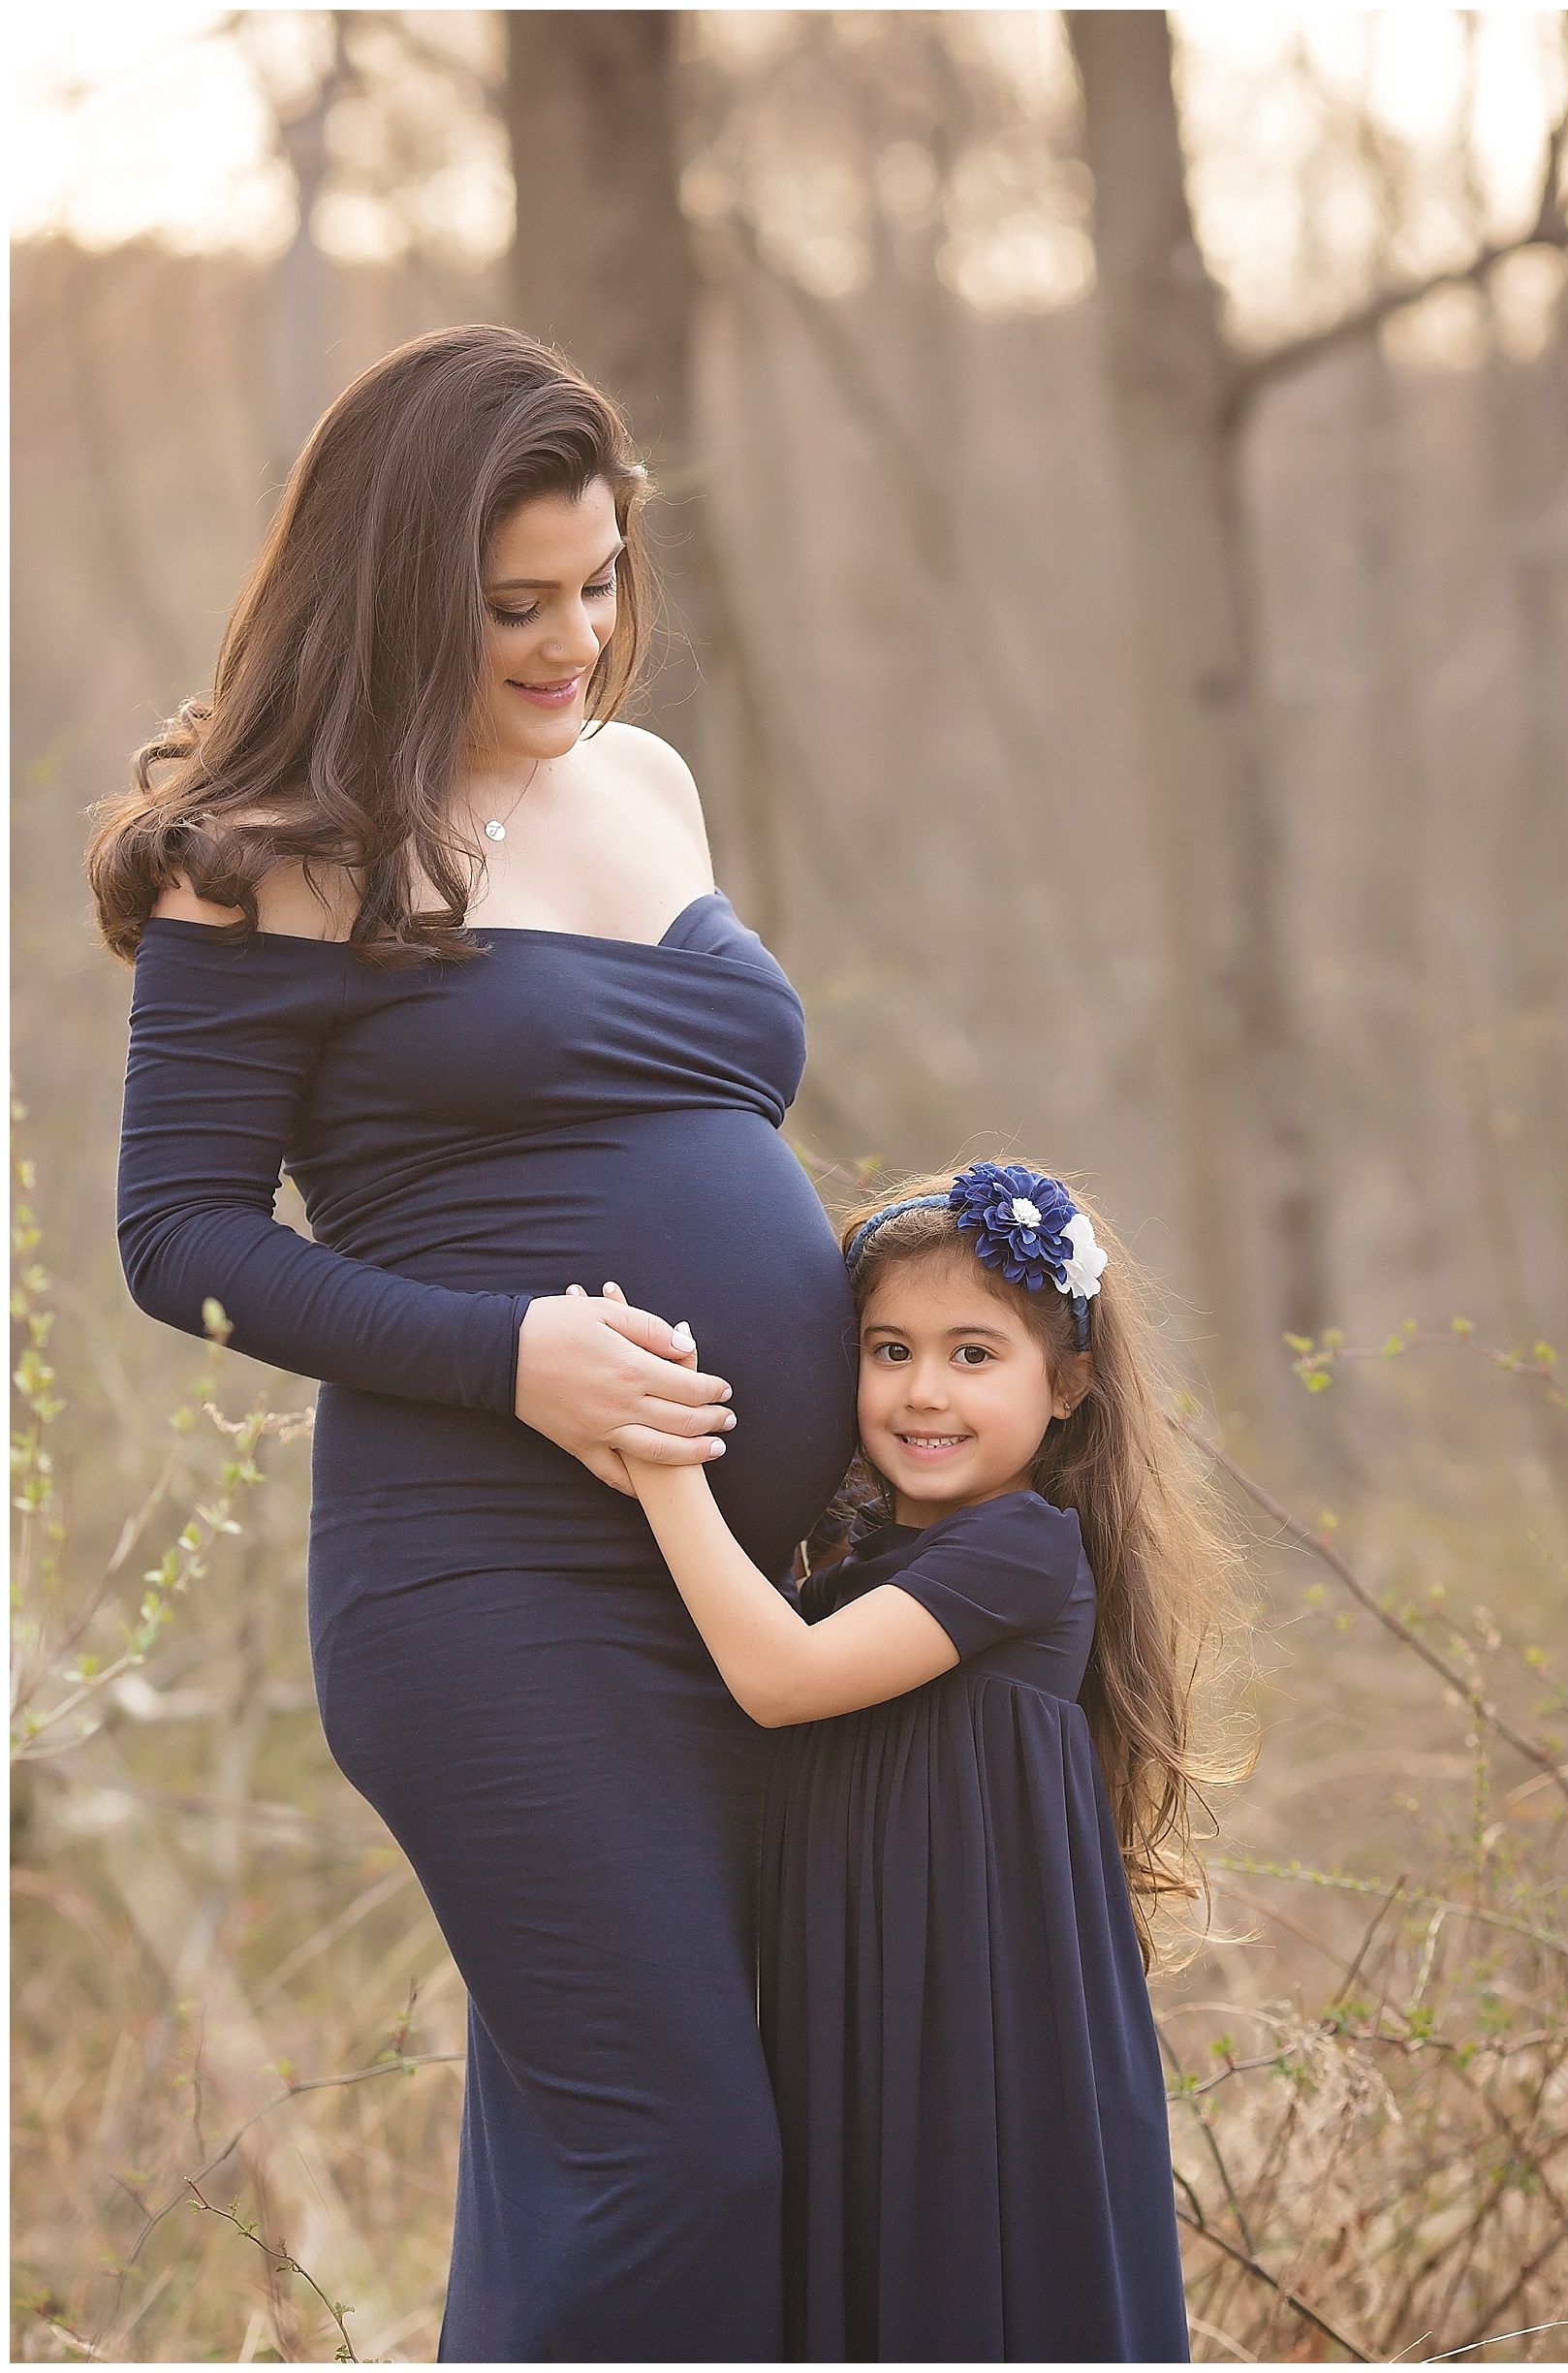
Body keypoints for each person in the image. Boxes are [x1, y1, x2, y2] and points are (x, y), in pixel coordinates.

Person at [86, 323, 860, 2360]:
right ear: (394, 584)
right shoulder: (266, 861)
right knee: (683, 2161)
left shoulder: (650, 781)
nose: (573, 644)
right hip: (491, 1595)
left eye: (600, 584)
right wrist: (512, 1353)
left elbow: (686, 1132)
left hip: (743, 1597)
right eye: (513, 606)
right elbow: (175, 1240)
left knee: (665, 2152)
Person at [614, 1156, 1250, 2361]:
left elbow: (780, 1680)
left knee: (974, 2294)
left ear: (1066, 1385)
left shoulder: (1022, 1551)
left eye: (974, 1353)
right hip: (859, 2014)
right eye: (888, 1349)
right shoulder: (843, 1574)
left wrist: (664, 1471)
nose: (922, 1392)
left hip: (980, 2035)